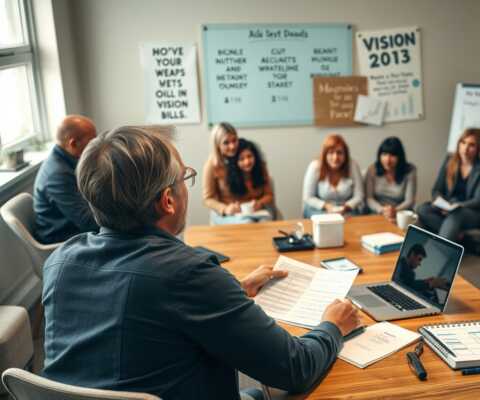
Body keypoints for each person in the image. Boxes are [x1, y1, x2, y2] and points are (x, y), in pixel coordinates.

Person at [42, 127, 361, 400]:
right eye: (185, 178)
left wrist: (234, 289)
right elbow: (295, 368)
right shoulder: (186, 273)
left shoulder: (60, 262)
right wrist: (332, 325)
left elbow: (142, 313)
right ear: (168, 200)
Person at [417, 128, 480, 254]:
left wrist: (455, 206)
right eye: (463, 142)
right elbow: (436, 189)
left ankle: (438, 254)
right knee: (422, 209)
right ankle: (461, 239)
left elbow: (478, 201)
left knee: (456, 214)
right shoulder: (450, 160)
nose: (465, 148)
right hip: (448, 205)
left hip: (471, 212)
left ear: (478, 148)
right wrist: (442, 203)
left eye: (471, 145)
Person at [33, 115, 99, 244]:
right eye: (92, 142)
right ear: (73, 144)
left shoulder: (67, 160)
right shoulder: (58, 175)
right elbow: (86, 222)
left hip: (72, 226)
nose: (95, 146)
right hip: (62, 237)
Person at [210, 138, 275, 224]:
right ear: (235, 162)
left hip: (257, 212)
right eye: (241, 159)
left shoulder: (261, 168)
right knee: (247, 223)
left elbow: (269, 195)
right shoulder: (226, 174)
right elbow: (214, 200)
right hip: (235, 213)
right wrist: (229, 208)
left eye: (249, 156)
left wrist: (260, 203)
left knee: (265, 222)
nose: (247, 162)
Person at [302, 134, 364, 218]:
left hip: (346, 209)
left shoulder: (353, 165)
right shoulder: (315, 166)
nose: (335, 157)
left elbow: (359, 195)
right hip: (320, 209)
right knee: (327, 220)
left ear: (345, 155)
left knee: (348, 219)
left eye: (339, 153)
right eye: (331, 153)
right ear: (325, 155)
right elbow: (308, 197)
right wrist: (327, 206)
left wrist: (346, 207)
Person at [365, 137, 417, 221]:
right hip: (377, 212)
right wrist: (382, 210)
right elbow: (369, 198)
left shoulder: (410, 170)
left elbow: (410, 201)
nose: (387, 160)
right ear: (379, 155)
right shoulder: (372, 169)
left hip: (401, 213)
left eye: (392, 155)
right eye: (384, 154)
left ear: (399, 156)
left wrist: (395, 210)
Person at [202, 122, 245, 221]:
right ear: (217, 145)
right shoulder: (211, 165)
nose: (232, 146)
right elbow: (207, 199)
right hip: (226, 213)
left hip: (245, 210)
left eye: (234, 140)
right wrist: (225, 209)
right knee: (247, 223)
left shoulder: (242, 157)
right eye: (226, 143)